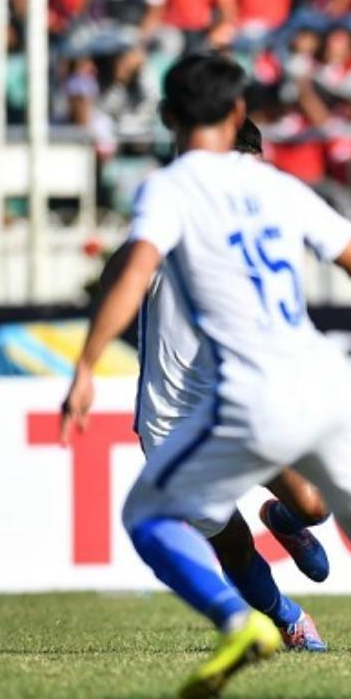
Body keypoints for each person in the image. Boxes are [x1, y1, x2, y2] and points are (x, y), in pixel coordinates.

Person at [59, 52, 351, 699]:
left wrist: (86, 365)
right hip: (320, 384)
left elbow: (131, 268)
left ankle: (237, 622)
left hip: (243, 396)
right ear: (236, 113)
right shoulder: (281, 188)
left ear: (170, 116)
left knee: (148, 519)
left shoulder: (171, 189)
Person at [93, 117, 333, 653]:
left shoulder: (266, 229)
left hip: (244, 404)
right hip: (173, 420)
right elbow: (115, 282)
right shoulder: (170, 221)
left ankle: (286, 520)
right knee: (232, 543)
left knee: (316, 504)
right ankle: (288, 619)